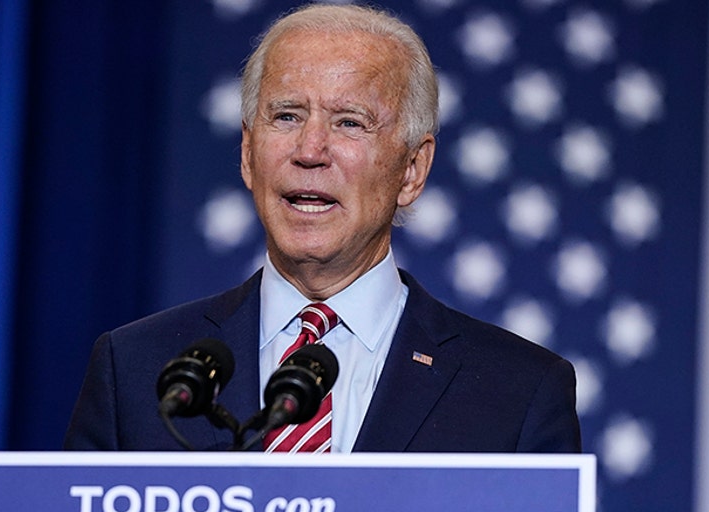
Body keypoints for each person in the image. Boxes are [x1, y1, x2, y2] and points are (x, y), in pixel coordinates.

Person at [63, 3, 580, 455]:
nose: (309, 151)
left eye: (349, 122)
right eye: (286, 117)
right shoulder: (136, 369)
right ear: (247, 154)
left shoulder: (517, 390)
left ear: (413, 170)